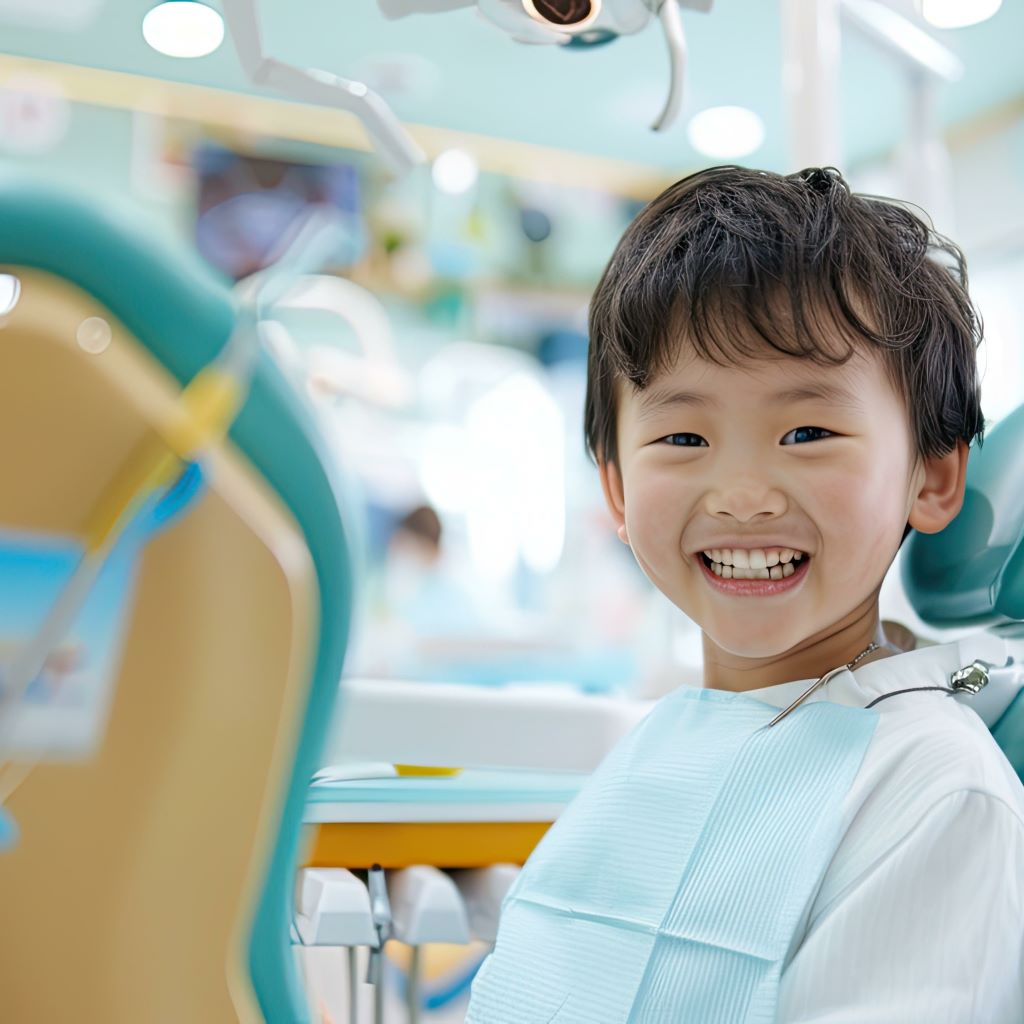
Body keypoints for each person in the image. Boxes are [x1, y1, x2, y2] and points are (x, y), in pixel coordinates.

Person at [465, 166, 1024, 1022]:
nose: (742, 494)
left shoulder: (937, 790)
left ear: (933, 475)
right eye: (683, 435)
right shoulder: (664, 739)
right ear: (616, 489)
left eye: (808, 432)